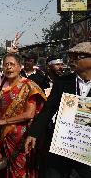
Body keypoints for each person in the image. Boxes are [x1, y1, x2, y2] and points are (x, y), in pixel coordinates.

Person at [0, 24, 46, 178]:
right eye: (6, 64)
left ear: (20, 67)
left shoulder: (29, 86)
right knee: (6, 169)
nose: (9, 67)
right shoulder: (1, 81)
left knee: (21, 170)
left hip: (22, 136)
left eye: (12, 64)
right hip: (5, 136)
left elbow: (29, 114)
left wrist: (3, 122)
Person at [25, 42, 91, 178]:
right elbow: (48, 109)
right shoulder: (62, 82)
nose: (73, 60)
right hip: (62, 145)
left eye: (78, 56)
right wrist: (34, 133)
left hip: (86, 149)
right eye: (72, 56)